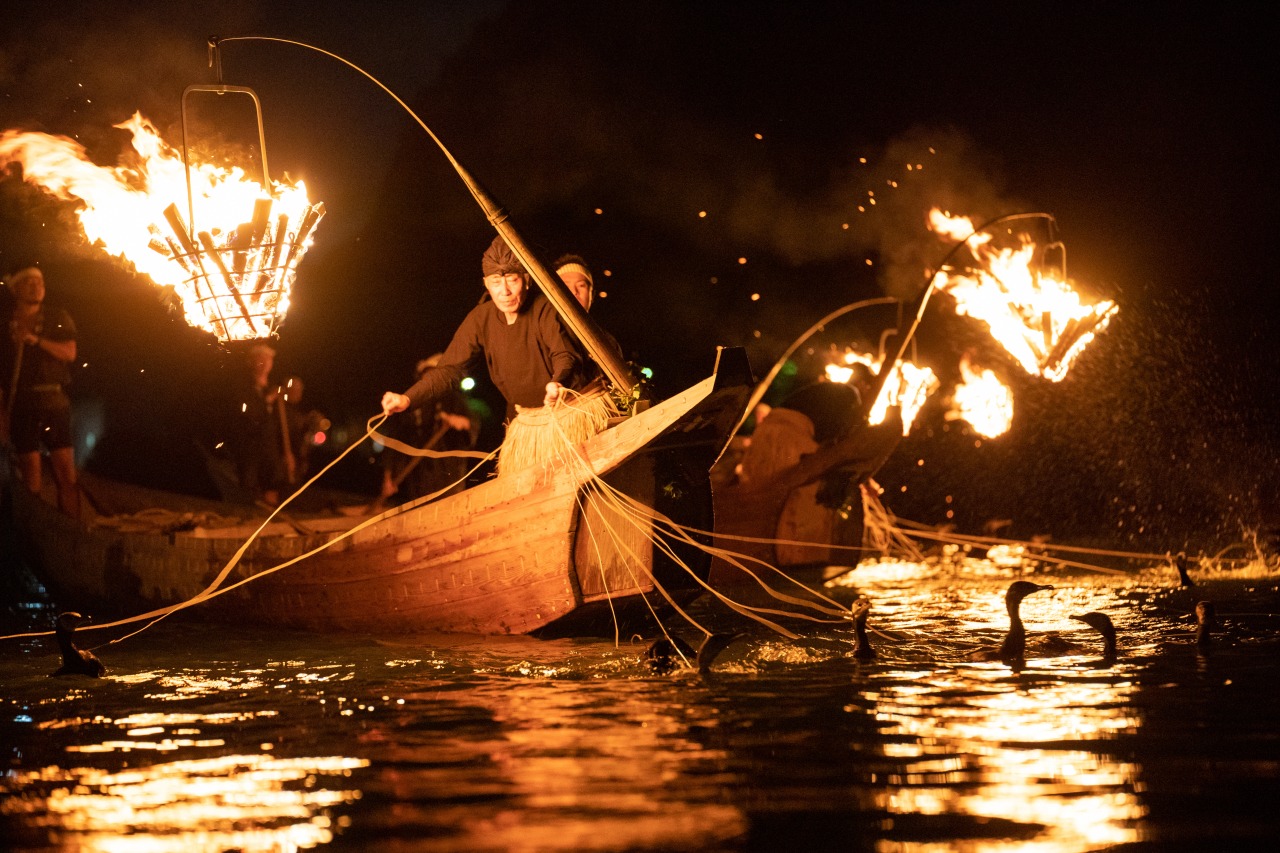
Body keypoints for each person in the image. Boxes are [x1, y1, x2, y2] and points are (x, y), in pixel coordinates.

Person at [381, 234, 582, 424]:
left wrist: (558, 382)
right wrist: (407, 399)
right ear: (486, 284)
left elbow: (564, 354)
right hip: (524, 418)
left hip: (568, 410)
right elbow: (450, 369)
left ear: (527, 280)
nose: (505, 291)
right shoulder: (481, 318)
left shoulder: (545, 307)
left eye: (512, 280)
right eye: (496, 282)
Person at [0, 265, 80, 518]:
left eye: (40, 282)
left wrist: (36, 341)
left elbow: (69, 353)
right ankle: (32, 529)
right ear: (16, 289)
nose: (37, 287)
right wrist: (2, 416)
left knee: (66, 474)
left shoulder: (57, 316)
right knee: (30, 475)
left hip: (54, 402)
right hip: (22, 405)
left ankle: (71, 528)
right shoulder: (5, 325)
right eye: (30, 282)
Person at [380, 354, 479, 502]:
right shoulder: (411, 407)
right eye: (425, 375)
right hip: (418, 477)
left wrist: (460, 421)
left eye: (433, 374)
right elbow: (395, 441)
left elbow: (472, 423)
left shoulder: (454, 399)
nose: (429, 379)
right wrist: (388, 478)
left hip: (448, 475)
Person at [226, 342, 288, 505]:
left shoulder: (273, 389)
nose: (264, 363)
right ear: (251, 362)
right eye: (260, 359)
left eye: (268, 359)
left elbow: (279, 424)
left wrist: (286, 451)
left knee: (273, 484)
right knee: (249, 486)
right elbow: (246, 413)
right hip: (250, 445)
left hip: (270, 447)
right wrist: (267, 400)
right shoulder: (243, 387)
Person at [553, 253, 626, 388]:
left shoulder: (607, 341)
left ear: (592, 294)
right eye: (566, 285)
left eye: (581, 286)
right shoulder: (543, 331)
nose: (574, 292)